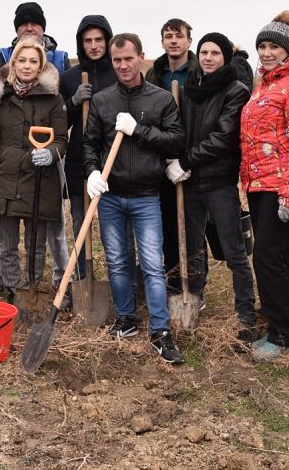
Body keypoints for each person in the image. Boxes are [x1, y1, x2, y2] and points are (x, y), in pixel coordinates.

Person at [83, 33, 186, 364]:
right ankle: (126, 318)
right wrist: (92, 172)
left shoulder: (159, 100)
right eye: (117, 60)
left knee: (153, 266)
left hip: (145, 196)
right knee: (117, 261)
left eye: (128, 58)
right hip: (111, 196)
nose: (123, 65)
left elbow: (175, 142)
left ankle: (161, 330)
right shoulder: (102, 100)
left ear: (141, 57)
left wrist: (138, 130)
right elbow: (89, 143)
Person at [239, 11, 289, 361]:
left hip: (281, 186)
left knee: (268, 257)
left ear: (287, 50)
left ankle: (282, 336)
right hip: (259, 184)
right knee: (273, 256)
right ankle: (279, 323)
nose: (267, 52)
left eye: (274, 46)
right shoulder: (269, 83)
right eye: (262, 46)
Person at [167, 31, 256, 343]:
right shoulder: (191, 88)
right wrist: (174, 159)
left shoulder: (236, 91)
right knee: (191, 248)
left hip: (218, 182)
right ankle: (195, 298)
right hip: (190, 183)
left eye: (215, 53)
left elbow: (223, 137)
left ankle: (246, 313)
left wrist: (187, 161)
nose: (208, 57)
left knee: (233, 250)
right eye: (204, 52)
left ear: (225, 57)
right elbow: (180, 130)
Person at [0, 1, 70, 297]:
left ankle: (31, 290)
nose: (27, 67)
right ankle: (11, 290)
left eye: (34, 62)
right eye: (22, 61)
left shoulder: (53, 100)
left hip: (39, 181)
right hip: (4, 178)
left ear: (41, 65)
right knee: (6, 244)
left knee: (35, 245)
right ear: (13, 64)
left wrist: (52, 153)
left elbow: (61, 138)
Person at [57, 14, 116, 284]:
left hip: (112, 161)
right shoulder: (69, 77)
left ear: (107, 41)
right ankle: (81, 280)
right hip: (80, 162)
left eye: (99, 40)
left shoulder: (118, 72)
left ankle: (120, 281)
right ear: (81, 43)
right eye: (88, 40)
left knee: (112, 228)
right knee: (80, 225)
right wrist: (73, 101)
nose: (94, 45)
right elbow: (60, 122)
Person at [146, 18, 199, 294]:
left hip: (191, 161)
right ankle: (172, 283)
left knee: (192, 229)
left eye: (179, 36)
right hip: (162, 159)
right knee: (166, 225)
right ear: (162, 42)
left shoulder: (199, 72)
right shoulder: (155, 75)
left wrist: (188, 158)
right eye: (168, 36)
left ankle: (195, 287)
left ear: (189, 40)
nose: (174, 41)